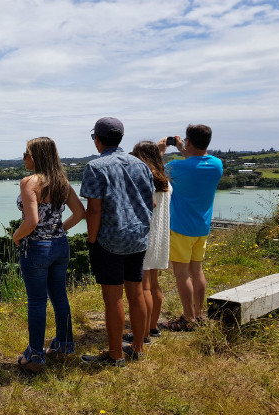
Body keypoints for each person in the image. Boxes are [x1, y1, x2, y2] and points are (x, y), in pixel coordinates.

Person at [80, 117, 155, 366]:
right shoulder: (141, 165)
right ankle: (138, 348)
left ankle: (115, 355)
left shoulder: (95, 167)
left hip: (110, 239)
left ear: (97, 139)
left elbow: (94, 211)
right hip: (137, 237)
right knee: (136, 291)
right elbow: (150, 202)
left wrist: (92, 240)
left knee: (113, 298)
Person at [12, 136, 85, 373]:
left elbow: (32, 221)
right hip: (60, 246)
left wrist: (16, 236)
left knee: (36, 302)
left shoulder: (29, 182)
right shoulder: (61, 182)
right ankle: (63, 347)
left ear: (37, 156)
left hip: (36, 248)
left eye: (26, 153)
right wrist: (59, 229)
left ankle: (35, 356)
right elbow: (80, 212)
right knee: (60, 297)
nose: (23, 157)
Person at [158, 124, 223, 331]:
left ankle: (187, 318)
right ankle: (199, 314)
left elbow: (157, 174)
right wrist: (184, 149)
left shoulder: (177, 167)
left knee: (182, 275)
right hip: (201, 227)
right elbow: (195, 162)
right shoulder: (217, 165)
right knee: (197, 272)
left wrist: (160, 153)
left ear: (188, 141)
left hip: (180, 228)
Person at [123, 141, 172, 344]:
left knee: (143, 288)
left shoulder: (143, 179)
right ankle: (152, 327)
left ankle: (141, 334)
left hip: (146, 235)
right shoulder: (165, 183)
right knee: (154, 285)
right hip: (161, 236)